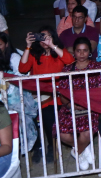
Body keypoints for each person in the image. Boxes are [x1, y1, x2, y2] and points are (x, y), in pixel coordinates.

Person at [19, 26, 74, 162]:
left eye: (47, 37)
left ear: (53, 37)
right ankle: (43, 146)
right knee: (41, 115)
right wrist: (28, 46)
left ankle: (53, 145)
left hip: (59, 95)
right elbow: (22, 69)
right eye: (41, 37)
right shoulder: (34, 54)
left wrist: (52, 45)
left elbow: (70, 61)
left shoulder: (59, 52)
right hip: (41, 96)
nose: (44, 40)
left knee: (53, 115)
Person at [54, 37, 101, 170]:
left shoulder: (97, 67)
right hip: (70, 107)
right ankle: (83, 148)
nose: (82, 54)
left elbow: (100, 91)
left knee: (87, 133)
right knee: (62, 134)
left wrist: (87, 104)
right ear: (74, 52)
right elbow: (62, 93)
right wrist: (70, 105)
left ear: (90, 52)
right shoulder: (67, 70)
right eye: (78, 51)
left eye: (85, 50)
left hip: (91, 107)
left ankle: (77, 151)